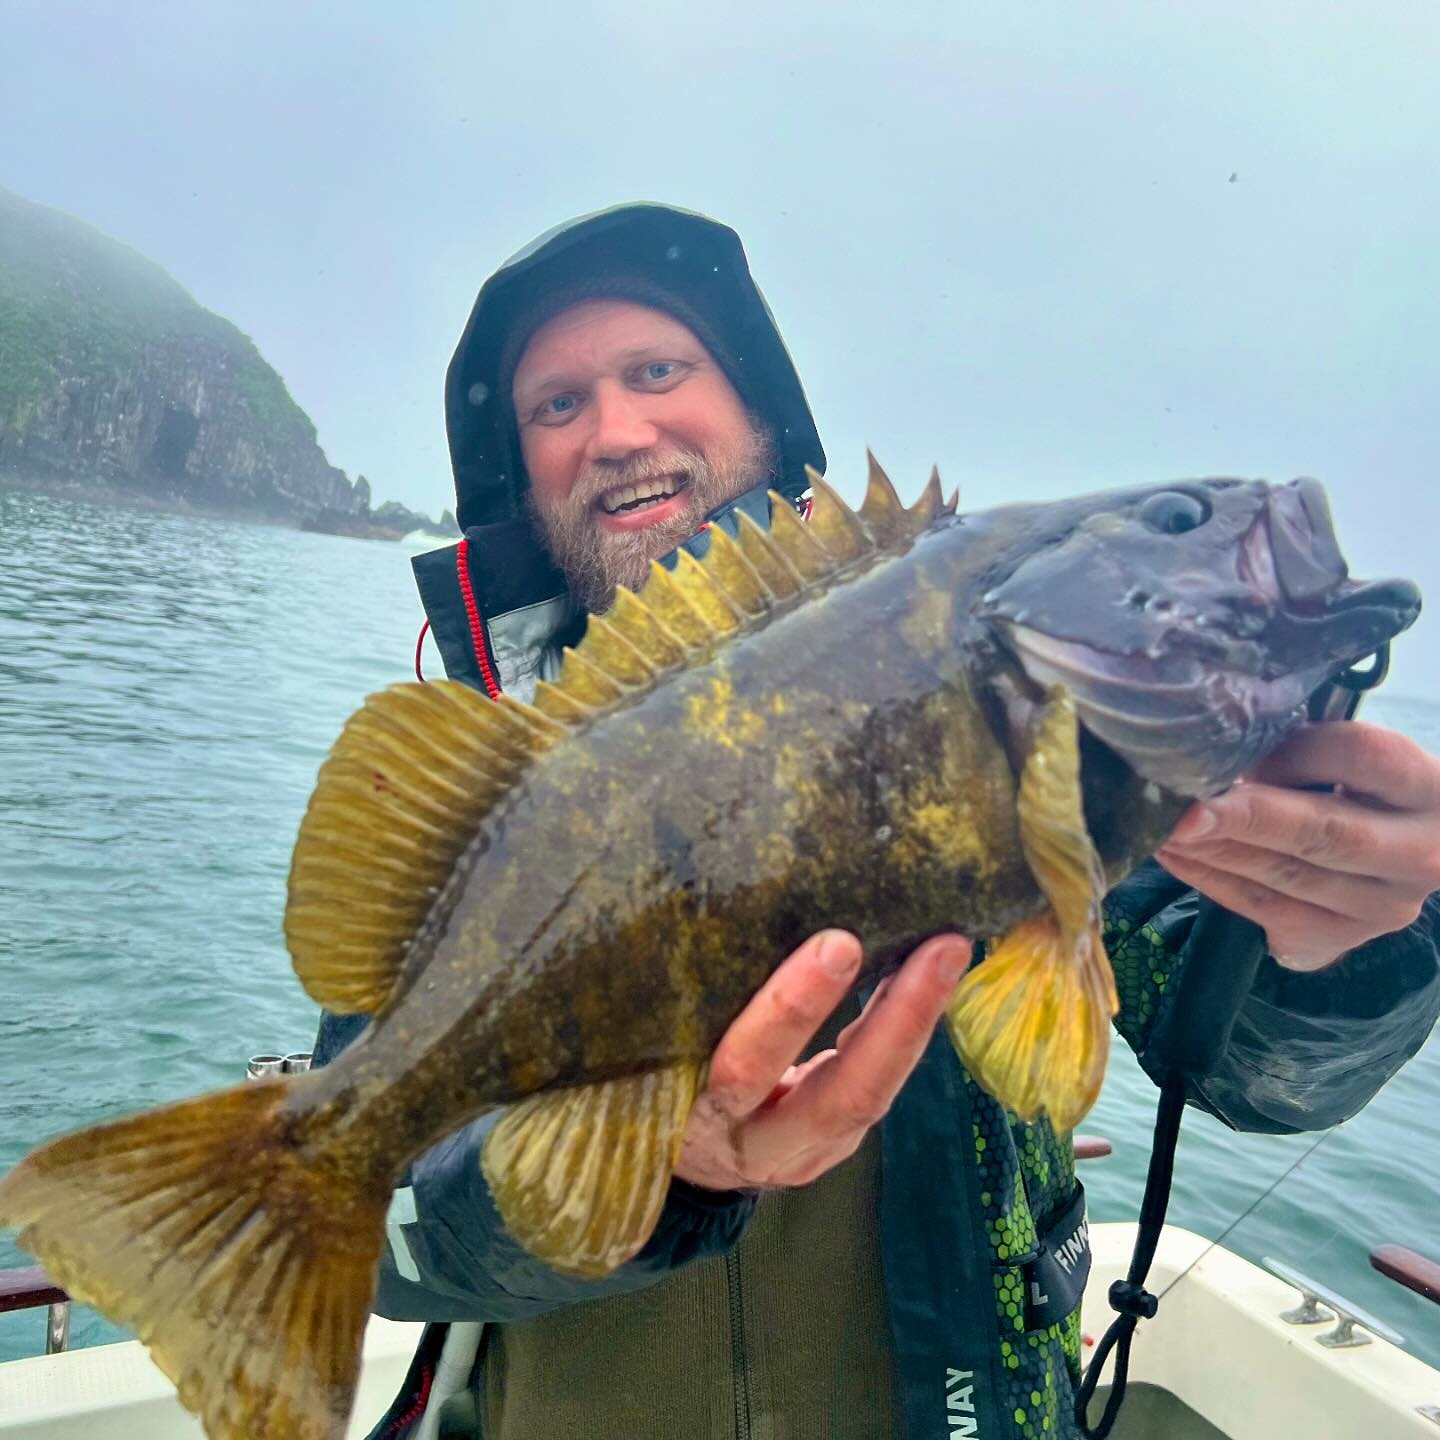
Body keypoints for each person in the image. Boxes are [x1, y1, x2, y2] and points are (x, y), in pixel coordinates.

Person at [315, 204, 1440, 1440]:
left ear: (759, 415)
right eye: (557, 404)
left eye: (657, 371)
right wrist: (657, 1165)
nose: (618, 431)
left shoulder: (1046, 731)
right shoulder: (481, 798)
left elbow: (1259, 1076)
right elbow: (385, 1246)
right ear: (520, 473)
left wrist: (1339, 941)